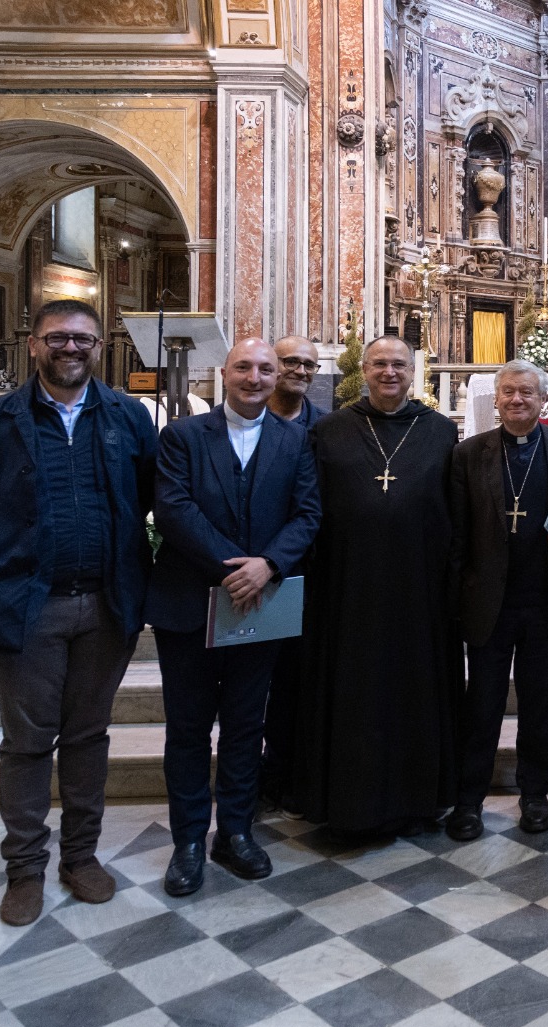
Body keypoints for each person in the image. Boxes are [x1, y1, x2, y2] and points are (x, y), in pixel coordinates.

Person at [0, 299, 158, 925]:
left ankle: (81, 858)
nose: (72, 349)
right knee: (28, 743)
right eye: (59, 338)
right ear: (34, 343)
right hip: (25, 608)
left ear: (100, 346)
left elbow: (145, 496)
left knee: (88, 737)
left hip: (105, 605)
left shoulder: (127, 417)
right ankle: (25, 870)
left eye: (84, 339)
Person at [147, 338, 321, 895]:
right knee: (190, 730)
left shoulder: (296, 441)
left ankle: (237, 833)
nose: (254, 377)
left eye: (265, 369)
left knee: (248, 727)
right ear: (224, 373)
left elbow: (308, 512)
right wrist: (234, 568)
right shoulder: (181, 436)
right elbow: (173, 508)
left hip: (260, 606)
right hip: (191, 605)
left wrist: (268, 565)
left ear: (279, 378)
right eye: (243, 367)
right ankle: (189, 841)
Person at [297, 337, 460, 837]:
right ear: (363, 370)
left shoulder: (439, 432)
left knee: (415, 690)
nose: (389, 373)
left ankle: (419, 799)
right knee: (352, 692)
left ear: (415, 373)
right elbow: (310, 508)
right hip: (346, 588)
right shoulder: (329, 430)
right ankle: (346, 802)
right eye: (380, 364)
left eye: (399, 365)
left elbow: (454, 510)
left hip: (421, 590)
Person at [445, 361, 548, 841]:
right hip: (488, 600)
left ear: (543, 399)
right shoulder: (469, 454)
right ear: (496, 398)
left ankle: (535, 795)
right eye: (508, 392)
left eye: (527, 393)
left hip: (545, 599)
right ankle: (469, 801)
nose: (517, 400)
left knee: (539, 703)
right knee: (482, 703)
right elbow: (455, 529)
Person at [259, 335, 326, 813]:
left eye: (307, 364)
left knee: (294, 682)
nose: (299, 370)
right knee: (247, 685)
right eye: (290, 362)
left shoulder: (326, 428)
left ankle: (288, 772)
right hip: (243, 571)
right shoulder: (243, 420)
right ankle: (251, 777)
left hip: (304, 572)